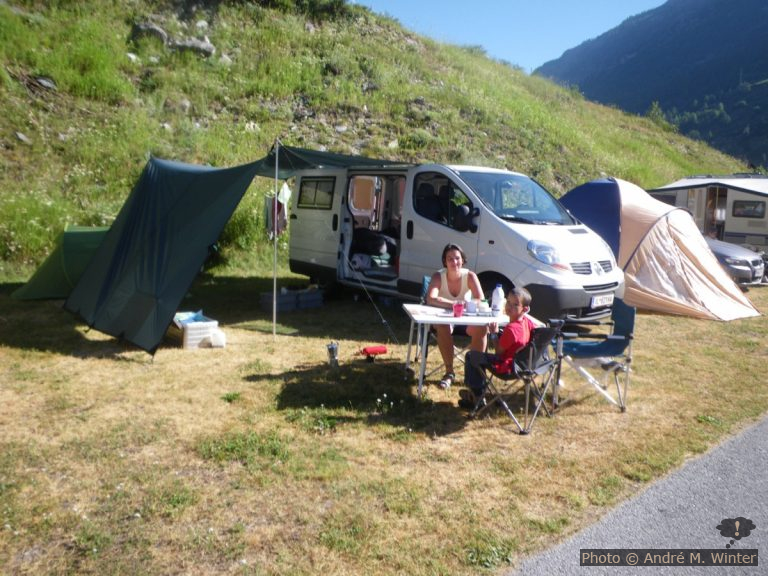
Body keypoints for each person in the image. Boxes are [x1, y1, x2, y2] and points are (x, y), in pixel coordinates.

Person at [461, 287, 536, 407]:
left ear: (524, 309)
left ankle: (477, 394)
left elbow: (499, 353)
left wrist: (494, 335)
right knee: (480, 356)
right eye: (508, 302)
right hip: (523, 364)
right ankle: (477, 392)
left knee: (471, 356)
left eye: (515, 305)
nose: (509, 307)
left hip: (508, 366)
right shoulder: (528, 322)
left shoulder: (511, 329)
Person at [426, 243, 486, 389]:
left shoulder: (470, 276)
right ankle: (449, 372)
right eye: (450, 259)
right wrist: (455, 304)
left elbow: (481, 300)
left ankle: (476, 375)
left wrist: (464, 305)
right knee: (443, 325)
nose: (454, 262)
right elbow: (431, 298)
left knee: (482, 328)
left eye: (457, 258)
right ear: (444, 262)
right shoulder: (438, 276)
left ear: (463, 260)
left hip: (464, 319)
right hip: (443, 320)